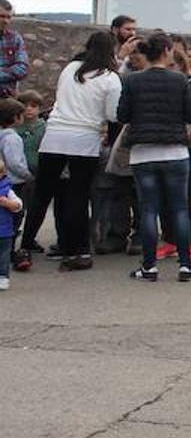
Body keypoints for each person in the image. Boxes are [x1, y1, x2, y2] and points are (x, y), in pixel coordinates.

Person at [22, 31, 122, 270]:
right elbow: (112, 114)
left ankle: (24, 246)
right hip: (84, 140)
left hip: (55, 135)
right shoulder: (109, 78)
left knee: (42, 195)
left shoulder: (70, 69)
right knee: (77, 196)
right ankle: (77, 250)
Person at [117, 33, 191, 282]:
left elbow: (122, 115)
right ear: (166, 50)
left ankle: (149, 266)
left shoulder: (132, 81)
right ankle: (185, 265)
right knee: (179, 209)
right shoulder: (180, 80)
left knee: (149, 209)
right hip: (175, 151)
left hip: (143, 152)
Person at [11, 90, 44, 268]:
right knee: (17, 208)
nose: (29, 110)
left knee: (35, 208)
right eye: (25, 106)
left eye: (34, 106)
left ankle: (29, 239)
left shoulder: (43, 127)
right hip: (19, 174)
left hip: (37, 172)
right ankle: (12, 241)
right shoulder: (15, 128)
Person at [0, 154, 23, 290]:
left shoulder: (7, 190)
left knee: (3, 256)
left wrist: (8, 203)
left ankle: (3, 277)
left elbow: (18, 205)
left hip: (4, 231)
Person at [0, 0, 30, 99]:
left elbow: (22, 68)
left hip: (8, 96)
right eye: (2, 16)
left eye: (9, 17)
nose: (6, 21)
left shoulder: (15, 38)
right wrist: (9, 72)